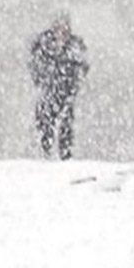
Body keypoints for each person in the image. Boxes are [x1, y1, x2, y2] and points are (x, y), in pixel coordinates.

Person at [29, 14, 89, 160]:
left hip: (67, 92)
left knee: (66, 124)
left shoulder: (75, 46)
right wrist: (43, 80)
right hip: (49, 91)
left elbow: (83, 66)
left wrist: (75, 82)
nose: (62, 31)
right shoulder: (44, 43)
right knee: (45, 122)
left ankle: (65, 155)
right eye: (59, 26)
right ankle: (45, 153)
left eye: (65, 27)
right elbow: (35, 65)